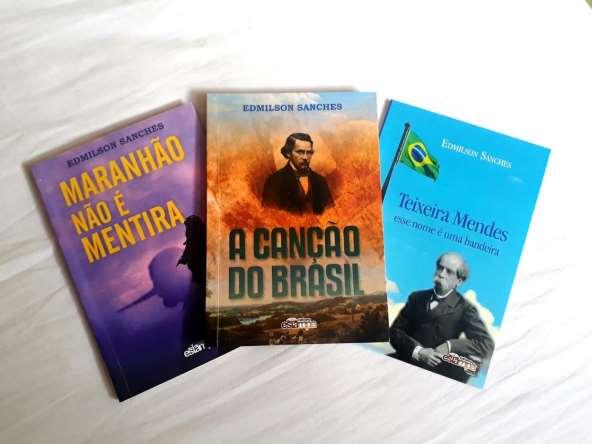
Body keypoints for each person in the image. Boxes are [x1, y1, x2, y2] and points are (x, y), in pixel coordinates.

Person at [389, 252, 494, 383]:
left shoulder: (465, 308)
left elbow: (487, 344)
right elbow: (394, 332)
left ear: (459, 281)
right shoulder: (416, 297)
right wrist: (419, 351)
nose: (441, 273)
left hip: (437, 374)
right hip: (404, 361)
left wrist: (450, 345)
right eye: (440, 267)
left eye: (449, 271)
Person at [262, 132, 333, 214]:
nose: (305, 157)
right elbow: (269, 215)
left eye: (309, 152)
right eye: (300, 152)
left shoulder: (320, 181)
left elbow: (331, 213)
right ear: (288, 153)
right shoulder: (274, 182)